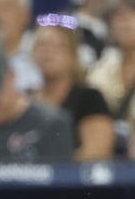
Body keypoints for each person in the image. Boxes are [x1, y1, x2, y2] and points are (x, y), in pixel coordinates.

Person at [30, 17, 116, 162]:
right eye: (42, 45)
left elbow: (96, 152)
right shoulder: (24, 99)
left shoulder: (89, 98)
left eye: (58, 46)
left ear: (73, 55)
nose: (48, 52)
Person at [87, 0, 135, 158]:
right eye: (119, 15)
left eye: (133, 12)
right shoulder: (101, 69)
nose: (125, 21)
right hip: (105, 158)